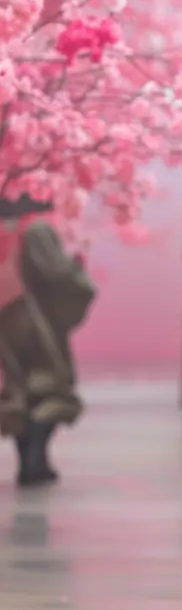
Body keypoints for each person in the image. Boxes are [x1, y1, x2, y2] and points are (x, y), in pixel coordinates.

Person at [0, 196, 96, 486]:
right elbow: (59, 274)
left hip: (5, 317)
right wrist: (79, 273)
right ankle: (34, 461)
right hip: (33, 316)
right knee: (51, 388)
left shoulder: (7, 229)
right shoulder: (37, 228)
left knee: (19, 389)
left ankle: (31, 462)